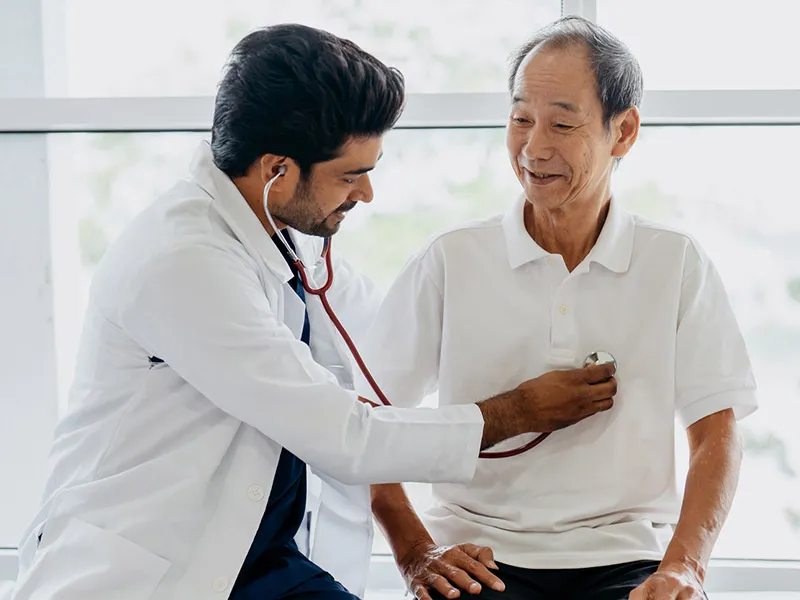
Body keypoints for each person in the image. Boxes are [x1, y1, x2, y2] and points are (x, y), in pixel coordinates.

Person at [8, 24, 620, 600]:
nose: (367, 194)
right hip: (151, 571)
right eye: (352, 175)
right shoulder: (181, 262)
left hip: (261, 562)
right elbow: (343, 435)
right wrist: (518, 410)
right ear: (277, 169)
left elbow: (384, 340)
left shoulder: (284, 235)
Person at [359, 16, 757, 600]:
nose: (534, 147)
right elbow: (370, 424)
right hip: (477, 554)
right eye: (521, 119)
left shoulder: (674, 262)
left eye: (562, 124)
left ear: (623, 132)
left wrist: (684, 567)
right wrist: (416, 553)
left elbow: (716, 432)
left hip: (626, 555)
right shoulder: (451, 258)